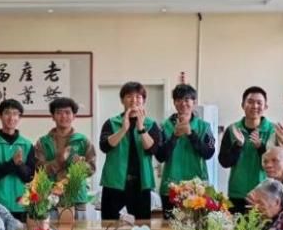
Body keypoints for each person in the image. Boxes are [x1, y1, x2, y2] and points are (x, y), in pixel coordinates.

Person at [98, 81, 162, 220]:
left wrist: (141, 128)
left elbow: (152, 149)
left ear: (143, 100)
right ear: (122, 100)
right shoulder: (111, 123)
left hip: (141, 184)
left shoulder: (151, 124)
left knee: (142, 225)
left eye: (138, 97)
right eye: (129, 96)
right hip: (114, 183)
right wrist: (123, 129)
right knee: (110, 225)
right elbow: (104, 146)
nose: (134, 100)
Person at [156, 84, 216, 216]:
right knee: (170, 227)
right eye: (179, 99)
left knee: (198, 226)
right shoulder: (164, 126)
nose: (183, 103)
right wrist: (175, 136)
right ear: (174, 102)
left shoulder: (205, 127)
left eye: (187, 99)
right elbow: (160, 156)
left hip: (198, 188)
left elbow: (209, 153)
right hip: (171, 188)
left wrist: (191, 134)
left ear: (194, 102)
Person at [34, 97, 97, 214]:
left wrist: (81, 166)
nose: (63, 116)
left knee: (79, 227)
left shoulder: (83, 141)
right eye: (59, 113)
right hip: (50, 197)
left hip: (77, 197)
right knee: (50, 227)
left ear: (74, 116)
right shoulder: (42, 142)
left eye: (67, 112)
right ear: (53, 116)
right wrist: (59, 160)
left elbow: (92, 168)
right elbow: (39, 169)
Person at [219, 86, 275, 213]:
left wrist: (260, 147)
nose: (254, 106)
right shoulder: (232, 129)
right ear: (243, 105)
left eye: (259, 103)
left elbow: (275, 164)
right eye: (250, 102)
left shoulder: (272, 130)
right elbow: (224, 162)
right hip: (237, 193)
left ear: (266, 106)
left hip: (264, 194)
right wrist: (238, 146)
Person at [0, 99, 36, 221]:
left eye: (15, 114)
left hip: (21, 205)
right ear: (0, 116)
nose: (11, 118)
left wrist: (19, 164)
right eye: (7, 113)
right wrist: (12, 163)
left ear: (19, 117)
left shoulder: (27, 145)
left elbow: (29, 177)